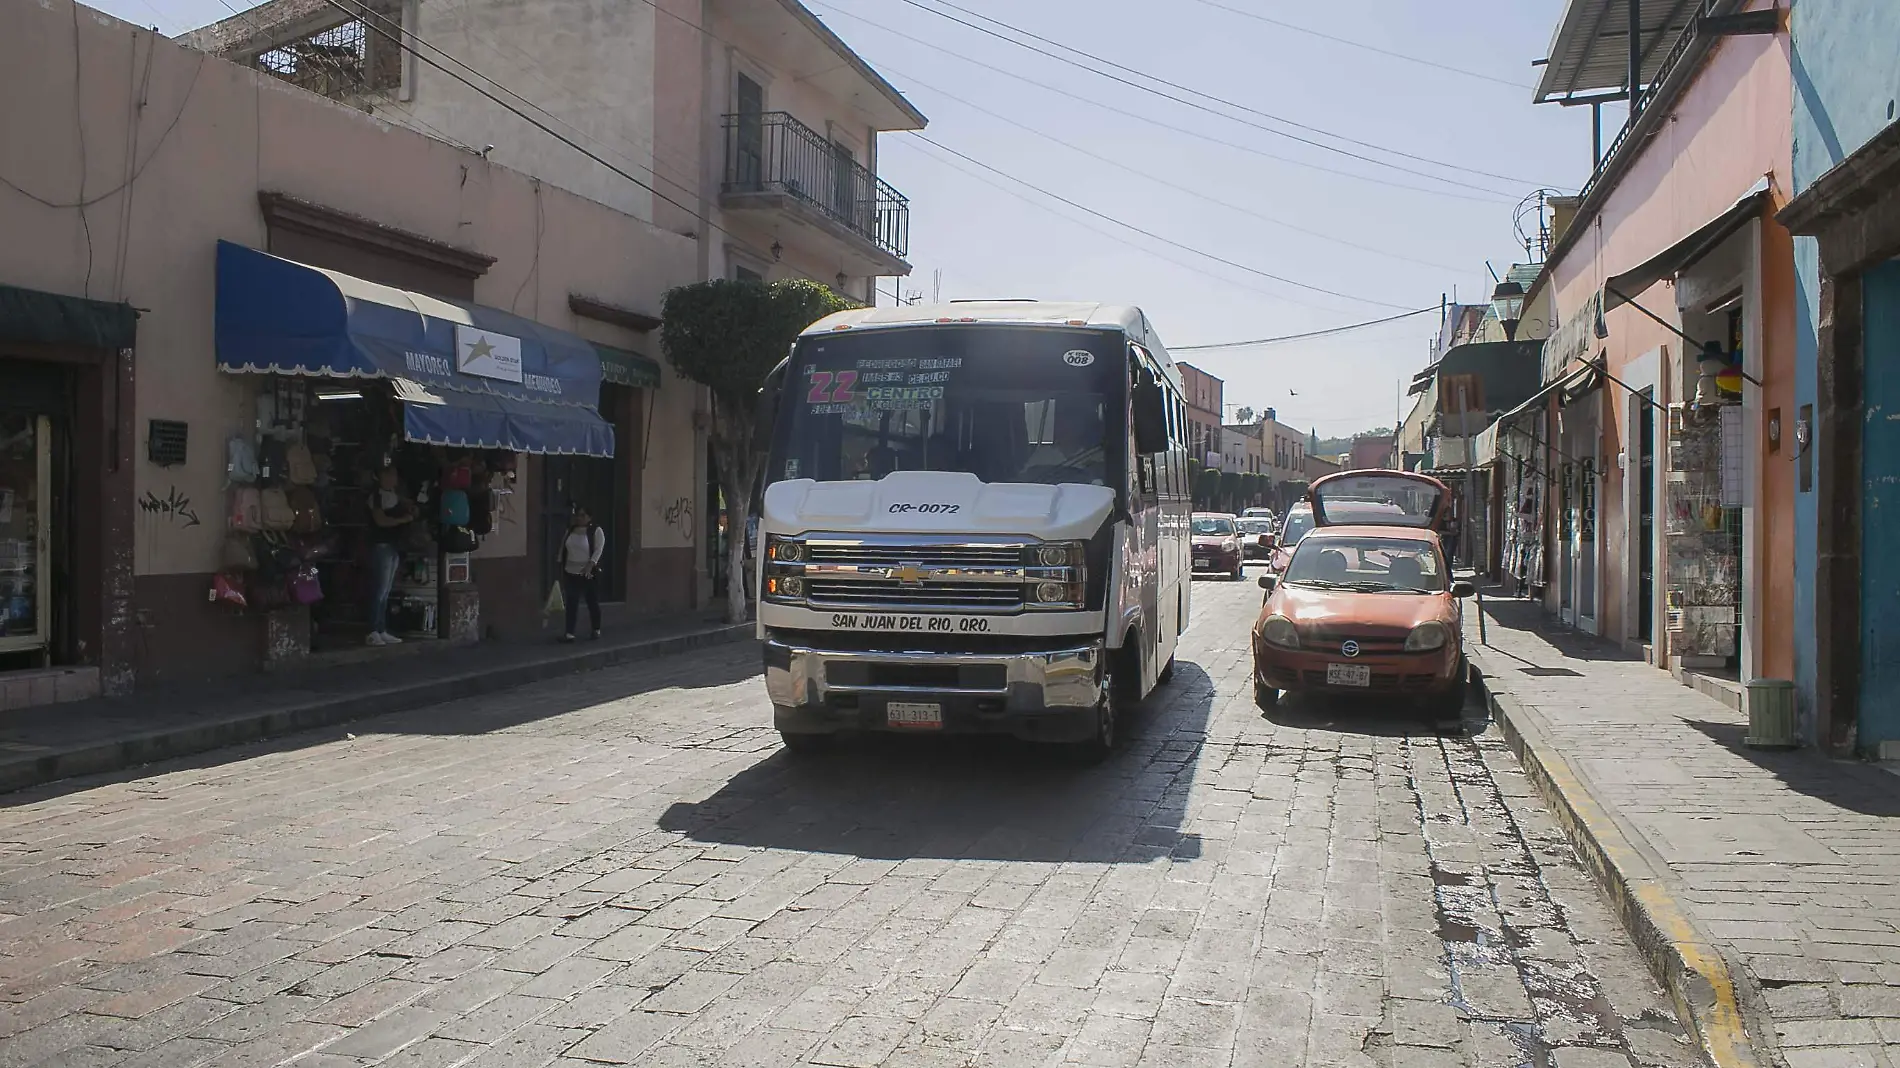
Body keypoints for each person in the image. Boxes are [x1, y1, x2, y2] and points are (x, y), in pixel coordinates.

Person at [365, 466, 416, 647]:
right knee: (379, 590)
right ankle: (372, 630)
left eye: (394, 474)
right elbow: (380, 520)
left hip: (394, 546)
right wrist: (402, 520)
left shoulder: (395, 496)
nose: (393, 478)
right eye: (389, 475)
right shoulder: (376, 497)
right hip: (381, 546)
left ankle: (381, 628)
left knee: (386, 591)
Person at [558, 504, 604, 642]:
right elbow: (563, 546)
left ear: (589, 517)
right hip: (570, 571)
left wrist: (591, 565)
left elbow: (598, 549)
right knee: (572, 601)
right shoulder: (571, 530)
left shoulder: (595, 530)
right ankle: (569, 633)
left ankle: (596, 629)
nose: (579, 518)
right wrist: (560, 562)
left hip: (587, 572)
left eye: (583, 515)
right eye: (577, 515)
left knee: (592, 601)